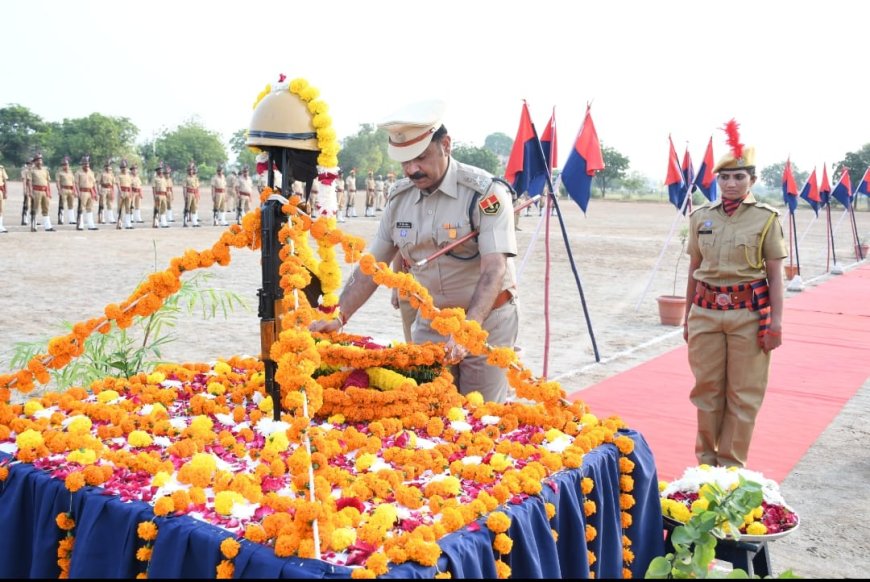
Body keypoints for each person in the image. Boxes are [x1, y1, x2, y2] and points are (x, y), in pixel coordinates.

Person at [310, 100, 519, 403]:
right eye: (404, 162)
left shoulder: (485, 193)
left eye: (420, 157)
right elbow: (373, 267)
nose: (412, 170)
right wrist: (340, 315)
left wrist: (467, 331)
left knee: (479, 414)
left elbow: (494, 270)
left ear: (446, 145)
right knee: (431, 409)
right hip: (431, 324)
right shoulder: (399, 198)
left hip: (487, 322)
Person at [683, 122, 786, 468]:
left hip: (749, 315)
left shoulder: (766, 219)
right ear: (717, 180)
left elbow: (775, 273)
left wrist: (777, 323)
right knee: (706, 391)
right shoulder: (701, 218)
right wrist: (687, 316)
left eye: (739, 177)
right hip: (706, 313)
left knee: (743, 395)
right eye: (725, 177)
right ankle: (705, 465)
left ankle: (731, 466)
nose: (731, 183)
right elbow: (694, 268)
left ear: (752, 180)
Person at [29, 153, 56, 232]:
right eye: (37, 160)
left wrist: (49, 192)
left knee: (46, 208)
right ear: (34, 162)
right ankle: (34, 226)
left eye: (40, 160)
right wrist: (30, 192)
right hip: (36, 191)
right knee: (35, 208)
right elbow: (30, 182)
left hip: (44, 191)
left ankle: (48, 226)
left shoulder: (45, 170)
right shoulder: (32, 171)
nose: (39, 161)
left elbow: (47, 182)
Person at [74, 155, 99, 231]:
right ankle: (80, 225)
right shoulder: (78, 173)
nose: (86, 165)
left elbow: (94, 184)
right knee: (81, 209)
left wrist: (96, 193)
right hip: (83, 192)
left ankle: (91, 225)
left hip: (90, 192)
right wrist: (78, 192)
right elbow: (76, 184)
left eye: (87, 163)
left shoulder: (91, 172)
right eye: (84, 163)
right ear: (82, 164)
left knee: (90, 208)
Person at [56, 157, 76, 225]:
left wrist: (74, 190)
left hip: (70, 189)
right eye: (64, 164)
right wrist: (59, 190)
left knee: (71, 205)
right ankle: (61, 219)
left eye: (66, 164)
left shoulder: (70, 172)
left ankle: (72, 219)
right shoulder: (60, 173)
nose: (65, 166)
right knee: (62, 204)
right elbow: (58, 182)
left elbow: (73, 182)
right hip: (64, 189)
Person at [115, 159, 134, 229]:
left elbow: (130, 185)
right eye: (122, 167)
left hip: (128, 192)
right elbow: (118, 184)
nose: (123, 168)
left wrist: (131, 193)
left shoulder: (129, 175)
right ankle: (119, 222)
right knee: (120, 208)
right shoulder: (119, 175)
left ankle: (128, 223)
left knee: (128, 208)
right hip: (121, 192)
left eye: (124, 167)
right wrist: (120, 192)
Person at [183, 161, 201, 227]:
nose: (191, 171)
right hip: (189, 193)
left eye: (192, 170)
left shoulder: (195, 178)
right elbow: (184, 188)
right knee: (187, 208)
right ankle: (185, 222)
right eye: (189, 170)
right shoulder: (186, 178)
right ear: (188, 171)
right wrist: (185, 196)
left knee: (194, 208)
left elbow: (197, 187)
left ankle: (194, 222)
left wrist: (198, 194)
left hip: (194, 193)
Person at [20, 161, 32, 226]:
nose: (31, 165)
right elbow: (24, 181)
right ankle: (25, 219)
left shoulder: (33, 171)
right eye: (30, 164)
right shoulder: (25, 171)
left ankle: (33, 219)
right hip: (27, 189)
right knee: (26, 205)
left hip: (33, 188)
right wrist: (25, 190)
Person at [0, 162, 8, 233]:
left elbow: (5, 180)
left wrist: (6, 192)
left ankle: (0, 226)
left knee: (1, 208)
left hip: (0, 190)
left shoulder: (1, 168)